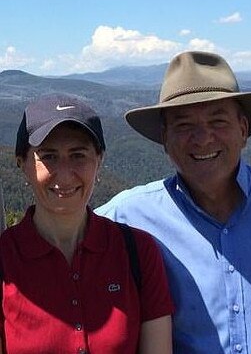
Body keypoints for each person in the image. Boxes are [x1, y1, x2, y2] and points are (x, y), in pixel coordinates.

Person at [95, 51, 251, 354]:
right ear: (165, 138)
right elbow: (63, 242)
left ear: (243, 130)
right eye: (185, 125)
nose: (203, 139)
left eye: (217, 120)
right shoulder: (129, 216)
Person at [0, 93, 173, 354]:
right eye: (48, 156)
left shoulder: (138, 251)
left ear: (99, 161)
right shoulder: (5, 260)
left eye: (78, 155)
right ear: (22, 164)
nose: (65, 174)